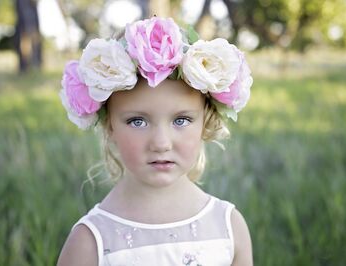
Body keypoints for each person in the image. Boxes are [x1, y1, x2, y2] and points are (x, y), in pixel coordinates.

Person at [57, 17, 253, 266]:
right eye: (138, 121)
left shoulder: (229, 227)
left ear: (205, 120)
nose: (161, 143)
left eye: (181, 120)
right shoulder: (90, 242)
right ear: (110, 126)